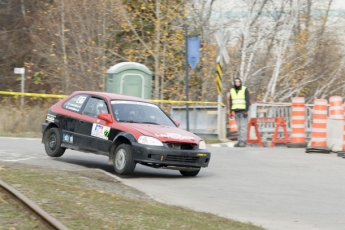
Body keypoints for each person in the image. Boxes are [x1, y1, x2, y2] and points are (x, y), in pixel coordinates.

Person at [229, 77, 251, 147]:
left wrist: (246, 110)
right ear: (234, 83)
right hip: (236, 111)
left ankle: (243, 141)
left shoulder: (244, 89)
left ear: (240, 82)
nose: (237, 83)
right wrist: (231, 111)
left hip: (243, 111)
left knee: (243, 127)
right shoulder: (232, 90)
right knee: (238, 127)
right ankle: (239, 141)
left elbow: (247, 100)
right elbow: (231, 101)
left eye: (238, 82)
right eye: (236, 82)